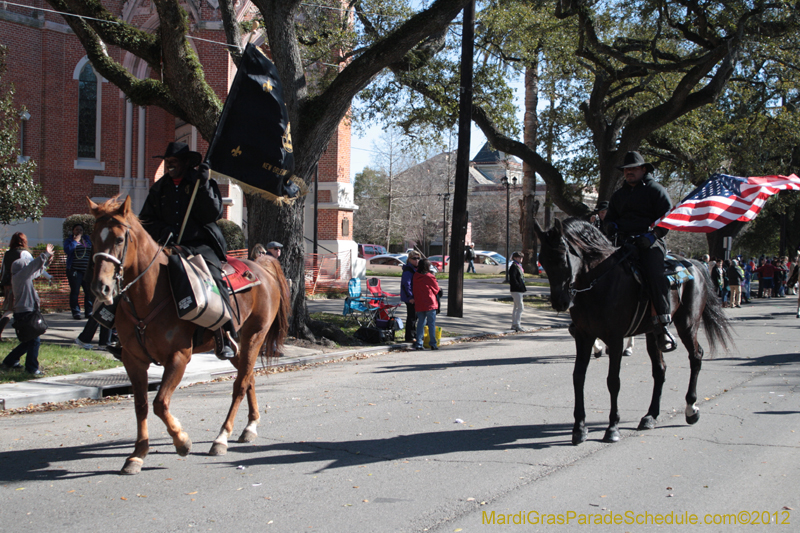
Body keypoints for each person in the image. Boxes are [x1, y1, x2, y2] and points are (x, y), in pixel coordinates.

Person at [139, 141, 234, 360]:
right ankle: (124, 335)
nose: (169, 165)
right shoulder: (159, 188)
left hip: (198, 245)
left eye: (173, 161)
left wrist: (203, 186)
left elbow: (214, 214)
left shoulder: (201, 182)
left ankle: (225, 333)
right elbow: (145, 220)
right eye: (167, 161)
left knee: (215, 278)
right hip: (167, 245)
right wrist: (164, 230)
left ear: (185, 163)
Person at [604, 151, 676, 352]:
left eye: (633, 168)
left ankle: (663, 325)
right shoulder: (619, 195)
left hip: (649, 242)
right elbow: (610, 218)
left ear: (644, 169)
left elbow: (667, 219)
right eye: (626, 170)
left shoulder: (656, 190)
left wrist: (653, 236)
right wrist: (610, 226)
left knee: (655, 275)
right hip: (622, 242)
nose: (629, 172)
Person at [1, 243, 54, 375]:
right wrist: (45, 255)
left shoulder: (22, 277)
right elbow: (31, 268)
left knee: (28, 341)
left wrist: (46, 264)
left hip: (24, 311)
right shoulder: (20, 276)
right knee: (34, 341)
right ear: (23, 267)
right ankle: (32, 368)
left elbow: (35, 272)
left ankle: (10, 361)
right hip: (26, 312)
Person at [0, 232, 29, 338]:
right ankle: (24, 333)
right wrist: (49, 277)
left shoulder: (7, 253)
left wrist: (2, 284)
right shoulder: (24, 253)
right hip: (20, 284)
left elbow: (3, 270)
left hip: (7, 284)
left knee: (10, 309)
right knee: (20, 309)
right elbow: (33, 267)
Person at [63, 223, 93, 320]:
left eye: (81, 230)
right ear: (73, 231)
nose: (79, 232)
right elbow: (68, 250)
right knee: (75, 291)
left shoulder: (87, 240)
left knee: (88, 291)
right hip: (75, 270)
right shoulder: (69, 240)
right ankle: (76, 312)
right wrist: (75, 241)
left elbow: (93, 250)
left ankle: (89, 311)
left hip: (87, 270)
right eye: (77, 230)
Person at [411, 258, 440, 351]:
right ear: (427, 267)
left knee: (420, 323)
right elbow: (436, 289)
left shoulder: (415, 276)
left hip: (419, 302)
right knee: (431, 324)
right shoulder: (429, 276)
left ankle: (419, 343)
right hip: (430, 302)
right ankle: (433, 343)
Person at [400, 252, 421, 343]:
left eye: (418, 258)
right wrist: (410, 296)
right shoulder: (408, 270)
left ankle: (414, 334)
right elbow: (406, 284)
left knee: (415, 316)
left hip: (415, 296)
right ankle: (409, 336)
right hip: (410, 297)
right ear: (409, 259)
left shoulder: (415, 269)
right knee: (412, 317)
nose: (416, 260)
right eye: (414, 258)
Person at [508, 251, 526, 332]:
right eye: (519, 257)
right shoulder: (514, 267)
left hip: (518, 289)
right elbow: (513, 279)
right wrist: (518, 286)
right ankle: (517, 324)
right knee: (520, 307)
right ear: (515, 258)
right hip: (516, 289)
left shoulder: (518, 266)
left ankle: (514, 324)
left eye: (521, 257)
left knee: (516, 307)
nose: (521, 259)